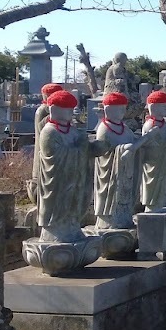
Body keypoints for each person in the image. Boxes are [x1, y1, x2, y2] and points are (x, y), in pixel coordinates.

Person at [36, 90, 94, 242]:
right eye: (67, 109)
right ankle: (55, 232)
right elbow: (58, 156)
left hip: (74, 181)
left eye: (71, 109)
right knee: (59, 205)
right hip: (57, 183)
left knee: (74, 205)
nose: (71, 112)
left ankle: (72, 227)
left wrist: (98, 147)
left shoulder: (72, 131)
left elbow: (85, 150)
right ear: (54, 109)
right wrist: (82, 147)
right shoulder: (49, 132)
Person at [92, 91, 143, 229]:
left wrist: (141, 141)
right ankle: (109, 221)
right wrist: (124, 148)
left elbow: (132, 142)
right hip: (111, 174)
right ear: (107, 110)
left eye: (123, 109)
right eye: (118, 109)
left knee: (125, 197)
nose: (122, 112)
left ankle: (124, 217)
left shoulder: (124, 128)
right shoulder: (104, 129)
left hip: (126, 171)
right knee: (113, 197)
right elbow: (104, 150)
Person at [139, 88, 166, 209]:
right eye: (164, 107)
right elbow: (151, 146)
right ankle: (153, 206)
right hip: (154, 164)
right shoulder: (149, 126)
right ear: (154, 107)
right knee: (154, 187)